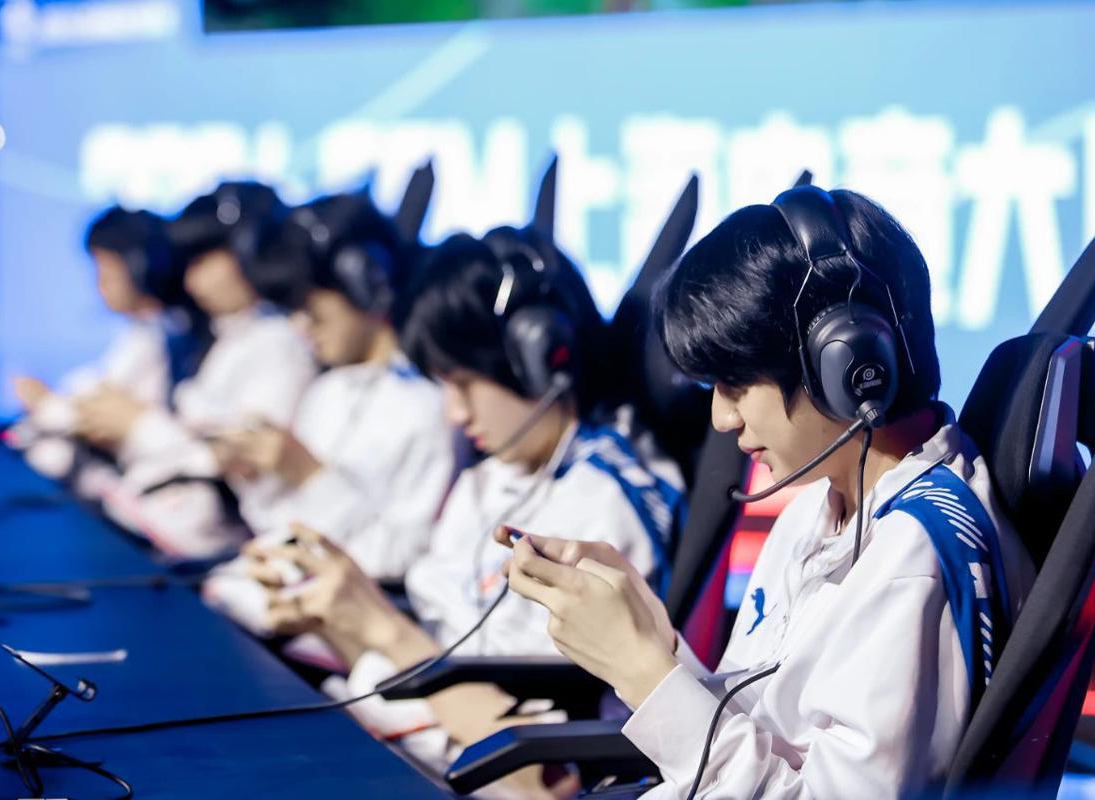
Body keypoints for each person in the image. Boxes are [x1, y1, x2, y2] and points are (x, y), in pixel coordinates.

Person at [500, 186, 1036, 799]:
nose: (721, 418)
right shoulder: (820, 507)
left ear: (846, 365)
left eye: (734, 385)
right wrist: (653, 638)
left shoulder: (912, 560)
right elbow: (755, 731)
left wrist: (641, 672)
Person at [249, 226, 684, 789]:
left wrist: (382, 628)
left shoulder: (604, 505)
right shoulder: (491, 476)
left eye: (463, 383)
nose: (454, 414)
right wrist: (334, 610)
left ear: (541, 358)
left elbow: (541, 769)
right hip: (425, 742)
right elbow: (439, 642)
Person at [202, 192, 455, 635]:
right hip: (273, 605)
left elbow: (401, 560)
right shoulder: (326, 392)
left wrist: (309, 476)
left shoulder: (428, 408)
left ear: (367, 284)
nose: (300, 325)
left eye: (310, 307)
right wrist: (255, 475)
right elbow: (278, 525)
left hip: (346, 630)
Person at [88, 181, 316, 559]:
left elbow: (242, 464)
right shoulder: (221, 336)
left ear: (251, 253)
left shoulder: (280, 346)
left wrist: (138, 425)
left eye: (205, 261)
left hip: (230, 540)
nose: (193, 282)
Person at [8, 206, 205, 497]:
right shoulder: (143, 332)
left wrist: (46, 404)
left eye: (107, 272)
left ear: (142, 270)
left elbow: (100, 414)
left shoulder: (162, 336)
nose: (99, 284)